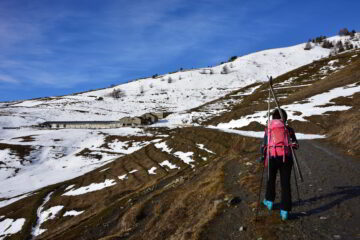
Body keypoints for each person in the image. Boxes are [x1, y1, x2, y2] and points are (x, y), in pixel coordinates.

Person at [258, 108, 299, 220]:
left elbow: (264, 145)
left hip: (272, 157)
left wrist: (263, 156)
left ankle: (269, 202)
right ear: (284, 118)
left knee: (270, 179)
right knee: (285, 183)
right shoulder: (288, 129)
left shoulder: (269, 129)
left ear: (273, 118)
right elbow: (295, 145)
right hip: (287, 159)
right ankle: (285, 211)